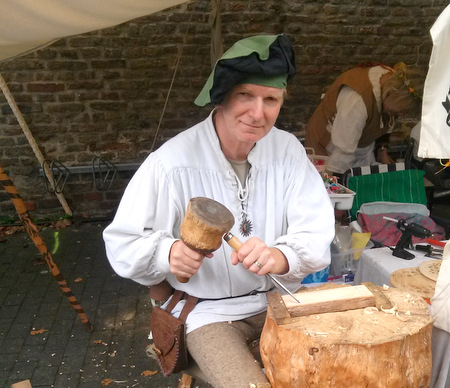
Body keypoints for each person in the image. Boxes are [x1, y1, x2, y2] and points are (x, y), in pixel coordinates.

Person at [103, 34, 335, 388]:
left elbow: (316, 233)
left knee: (335, 374)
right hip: (205, 312)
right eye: (246, 96)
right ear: (224, 96)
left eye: (271, 99)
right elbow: (123, 242)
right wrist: (167, 253)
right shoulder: (172, 162)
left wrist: (280, 255)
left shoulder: (288, 152)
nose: (258, 114)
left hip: (277, 301)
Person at [305, 62, 424, 178]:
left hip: (359, 148)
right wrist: (340, 184)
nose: (401, 115)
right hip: (329, 147)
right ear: (391, 94)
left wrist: (382, 151)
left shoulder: (395, 83)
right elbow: (342, 153)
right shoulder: (358, 101)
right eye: (400, 111)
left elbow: (385, 123)